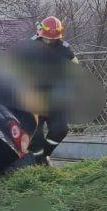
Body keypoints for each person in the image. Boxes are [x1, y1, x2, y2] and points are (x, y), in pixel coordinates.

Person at [13, 16, 78, 165]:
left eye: (52, 39)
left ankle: (44, 156)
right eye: (47, 38)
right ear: (40, 33)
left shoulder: (64, 49)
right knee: (35, 137)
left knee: (60, 129)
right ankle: (38, 163)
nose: (49, 41)